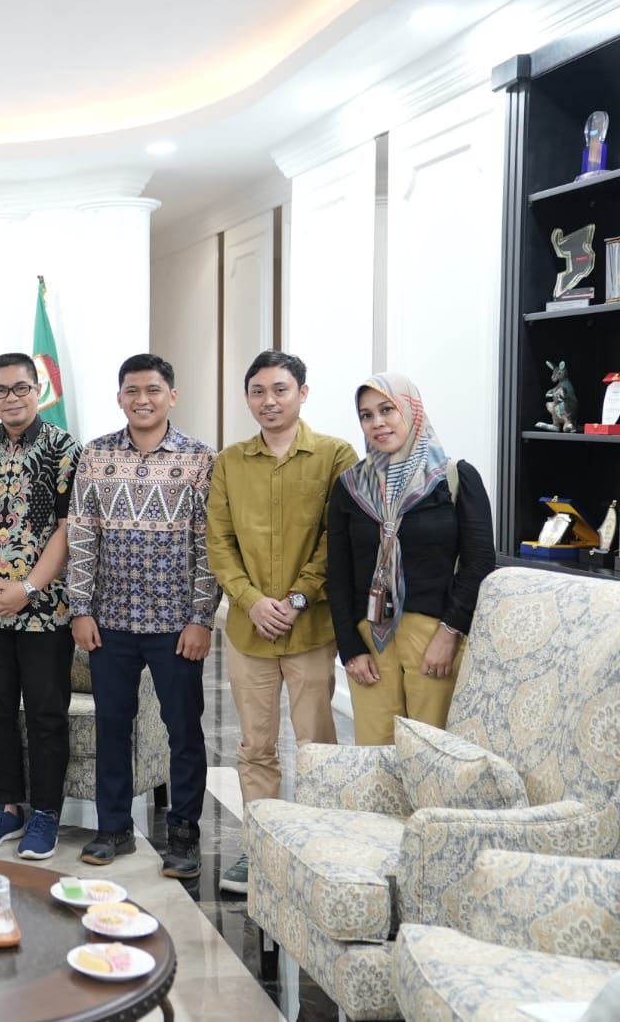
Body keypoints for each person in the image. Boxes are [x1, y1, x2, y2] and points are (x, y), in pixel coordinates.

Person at [207, 350, 358, 895]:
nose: (269, 401)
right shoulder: (230, 462)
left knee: (316, 743)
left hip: (310, 629)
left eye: (280, 390)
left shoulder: (336, 455)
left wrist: (296, 597)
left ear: (302, 393)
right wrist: (250, 601)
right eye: (258, 391)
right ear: (247, 398)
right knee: (255, 747)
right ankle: (261, 849)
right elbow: (219, 542)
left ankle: (319, 848)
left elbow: (336, 539)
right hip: (249, 631)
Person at [69, 354, 215, 878]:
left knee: (184, 730)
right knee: (112, 727)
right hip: (110, 621)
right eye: (132, 390)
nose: (142, 399)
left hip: (176, 624)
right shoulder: (95, 456)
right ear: (119, 398)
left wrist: (202, 618)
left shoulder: (201, 460)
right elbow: (81, 536)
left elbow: (211, 545)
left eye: (153, 390)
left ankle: (184, 835)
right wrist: (79, 609)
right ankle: (113, 828)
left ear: (172, 396)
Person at [0, 352, 80, 860]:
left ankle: (45, 813)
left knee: (47, 713)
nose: (11, 398)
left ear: (38, 390)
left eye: (21, 387)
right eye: (0, 390)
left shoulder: (64, 447)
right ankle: (5, 807)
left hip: (45, 609)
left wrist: (26, 588)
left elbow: (69, 528)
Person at [328, 373, 495, 746]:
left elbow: (479, 562)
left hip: (435, 636)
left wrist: (449, 633)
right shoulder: (350, 487)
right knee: (375, 751)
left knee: (432, 751)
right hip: (371, 637)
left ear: (411, 410)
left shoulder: (453, 478)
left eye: (387, 410)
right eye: (366, 415)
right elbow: (338, 573)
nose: (378, 422)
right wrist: (349, 648)